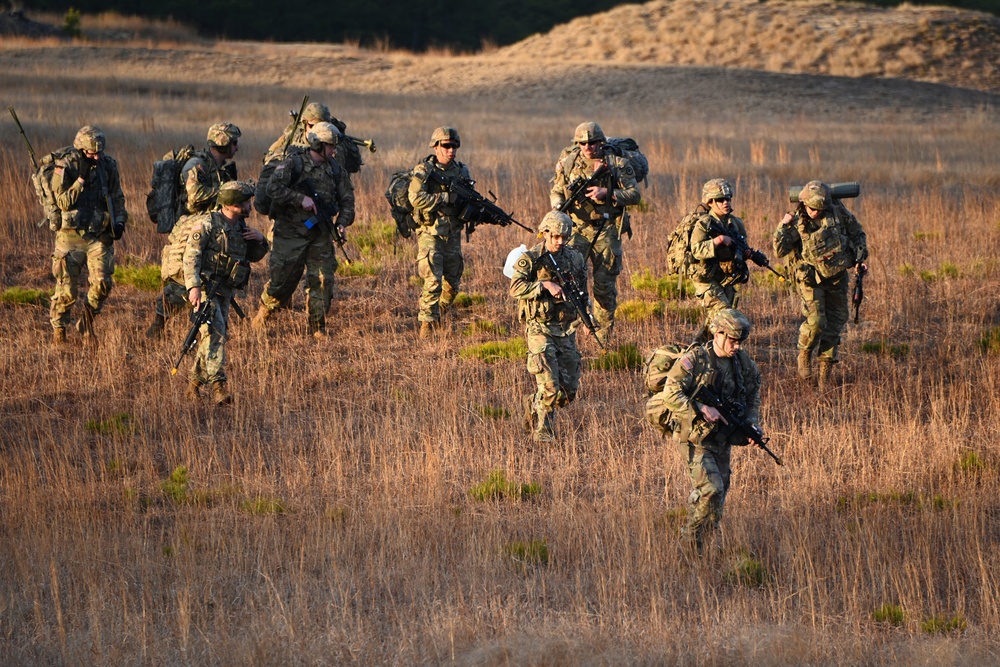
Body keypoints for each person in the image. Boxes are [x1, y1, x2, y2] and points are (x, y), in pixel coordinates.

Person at [650, 308, 763, 551]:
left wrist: (752, 424)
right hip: (692, 435)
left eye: (740, 341)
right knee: (711, 489)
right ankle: (688, 544)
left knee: (718, 495)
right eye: (732, 340)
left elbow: (753, 395)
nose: (736, 346)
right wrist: (700, 407)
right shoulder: (696, 360)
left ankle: (703, 542)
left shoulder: (742, 364)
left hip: (720, 437)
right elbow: (671, 393)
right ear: (718, 333)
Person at [251, 121, 355, 338]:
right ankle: (265, 311)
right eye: (330, 146)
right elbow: (273, 188)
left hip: (320, 234)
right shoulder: (293, 164)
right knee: (282, 282)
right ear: (317, 144)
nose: (334, 150)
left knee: (323, 279)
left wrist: (342, 223)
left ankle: (317, 327)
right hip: (290, 233)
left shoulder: (336, 170)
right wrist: (300, 199)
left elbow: (347, 202)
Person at [549, 121, 640, 347]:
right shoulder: (569, 163)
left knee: (604, 286)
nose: (588, 147)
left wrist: (607, 193)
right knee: (567, 281)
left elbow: (634, 194)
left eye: (593, 142)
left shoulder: (617, 164)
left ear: (601, 142)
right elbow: (557, 191)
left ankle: (603, 337)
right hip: (577, 229)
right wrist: (558, 206)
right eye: (583, 143)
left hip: (606, 229)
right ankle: (567, 335)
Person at [147, 122, 241, 339]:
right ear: (222, 142)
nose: (236, 148)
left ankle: (208, 327)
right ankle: (159, 319)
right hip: (190, 228)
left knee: (212, 276)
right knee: (184, 280)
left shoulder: (221, 170)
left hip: (213, 229)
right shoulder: (196, 164)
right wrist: (226, 193)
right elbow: (194, 195)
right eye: (234, 143)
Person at [772, 180, 868, 386]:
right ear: (804, 204)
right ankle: (804, 353)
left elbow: (857, 234)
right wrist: (783, 225)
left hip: (836, 276)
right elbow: (779, 251)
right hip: (810, 278)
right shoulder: (797, 221)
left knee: (836, 323)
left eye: (819, 208)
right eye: (811, 208)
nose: (815, 212)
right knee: (816, 322)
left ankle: (825, 373)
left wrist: (860, 259)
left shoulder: (837, 214)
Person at [182, 181, 268, 404]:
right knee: (217, 333)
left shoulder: (241, 227)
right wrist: (194, 287)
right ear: (232, 204)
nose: (249, 205)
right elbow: (191, 256)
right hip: (206, 289)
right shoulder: (208, 224)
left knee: (212, 336)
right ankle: (219, 387)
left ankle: (193, 386)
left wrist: (261, 240)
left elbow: (253, 256)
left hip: (226, 291)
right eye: (245, 202)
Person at [509, 211, 589, 443]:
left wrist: (587, 318)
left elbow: (582, 292)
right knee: (550, 385)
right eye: (554, 237)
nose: (559, 242)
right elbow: (515, 288)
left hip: (565, 329)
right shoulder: (531, 258)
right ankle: (544, 431)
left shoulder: (575, 259)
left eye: (564, 237)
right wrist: (544, 285)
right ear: (545, 233)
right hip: (539, 328)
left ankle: (534, 403)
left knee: (569, 391)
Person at [48, 125, 127, 346]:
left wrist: (119, 220)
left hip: (98, 235)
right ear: (81, 150)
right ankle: (59, 330)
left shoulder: (108, 166)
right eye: (92, 153)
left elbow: (117, 196)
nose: (96, 156)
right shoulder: (65, 166)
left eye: (99, 152)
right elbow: (62, 202)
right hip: (70, 237)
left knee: (102, 283)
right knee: (67, 291)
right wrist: (80, 180)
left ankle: (87, 321)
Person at [408, 126, 472, 338]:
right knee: (433, 282)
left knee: (453, 284)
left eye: (454, 146)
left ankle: (438, 313)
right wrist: (444, 199)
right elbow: (415, 198)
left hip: (453, 234)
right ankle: (426, 327)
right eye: (446, 146)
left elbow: (469, 199)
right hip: (431, 233)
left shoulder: (462, 171)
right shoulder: (424, 171)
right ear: (436, 147)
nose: (450, 150)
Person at [686, 178, 752, 343]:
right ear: (710, 202)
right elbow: (696, 250)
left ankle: (698, 350)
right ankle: (723, 355)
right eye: (720, 200)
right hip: (705, 279)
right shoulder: (704, 223)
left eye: (728, 199)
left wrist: (746, 254)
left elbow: (741, 248)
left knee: (714, 322)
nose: (725, 203)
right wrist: (718, 240)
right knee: (725, 317)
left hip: (724, 278)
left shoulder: (735, 223)